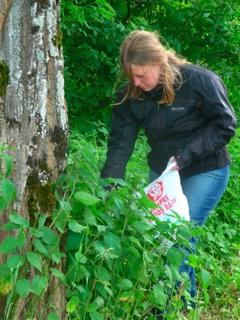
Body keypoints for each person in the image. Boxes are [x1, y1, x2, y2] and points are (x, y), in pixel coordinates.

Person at [100, 30, 237, 310]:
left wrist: (185, 156)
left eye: (141, 75)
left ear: (158, 62)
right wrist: (109, 187)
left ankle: (179, 308)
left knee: (179, 235)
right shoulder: (132, 94)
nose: (136, 82)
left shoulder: (199, 81)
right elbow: (119, 145)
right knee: (158, 239)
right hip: (164, 175)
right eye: (131, 76)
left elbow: (225, 125)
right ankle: (172, 301)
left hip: (205, 169)